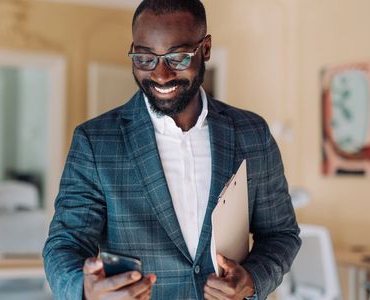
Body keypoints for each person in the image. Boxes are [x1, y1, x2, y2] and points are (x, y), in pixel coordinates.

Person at [43, 0, 301, 299]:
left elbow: (280, 234)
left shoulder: (251, 133)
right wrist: (84, 289)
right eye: (145, 58)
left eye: (177, 58)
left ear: (205, 49)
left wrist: (253, 278)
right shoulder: (95, 141)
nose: (160, 75)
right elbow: (65, 244)